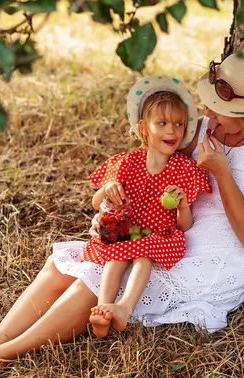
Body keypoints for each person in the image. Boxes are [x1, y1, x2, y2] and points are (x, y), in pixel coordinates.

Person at [0, 48, 244, 375]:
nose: (208, 119)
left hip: (222, 253)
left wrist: (221, 173)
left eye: (220, 112)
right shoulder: (205, 129)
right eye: (209, 108)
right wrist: (113, 205)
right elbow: (154, 174)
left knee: (96, 280)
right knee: (67, 263)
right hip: (174, 231)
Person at [83, 77, 211, 338]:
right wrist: (107, 190)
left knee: (143, 255)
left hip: (158, 237)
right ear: (143, 128)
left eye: (178, 124)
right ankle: (102, 309)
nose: (171, 131)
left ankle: (123, 308)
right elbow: (96, 203)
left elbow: (184, 226)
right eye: (161, 123)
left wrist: (182, 205)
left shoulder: (183, 169)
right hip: (126, 231)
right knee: (116, 255)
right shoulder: (128, 163)